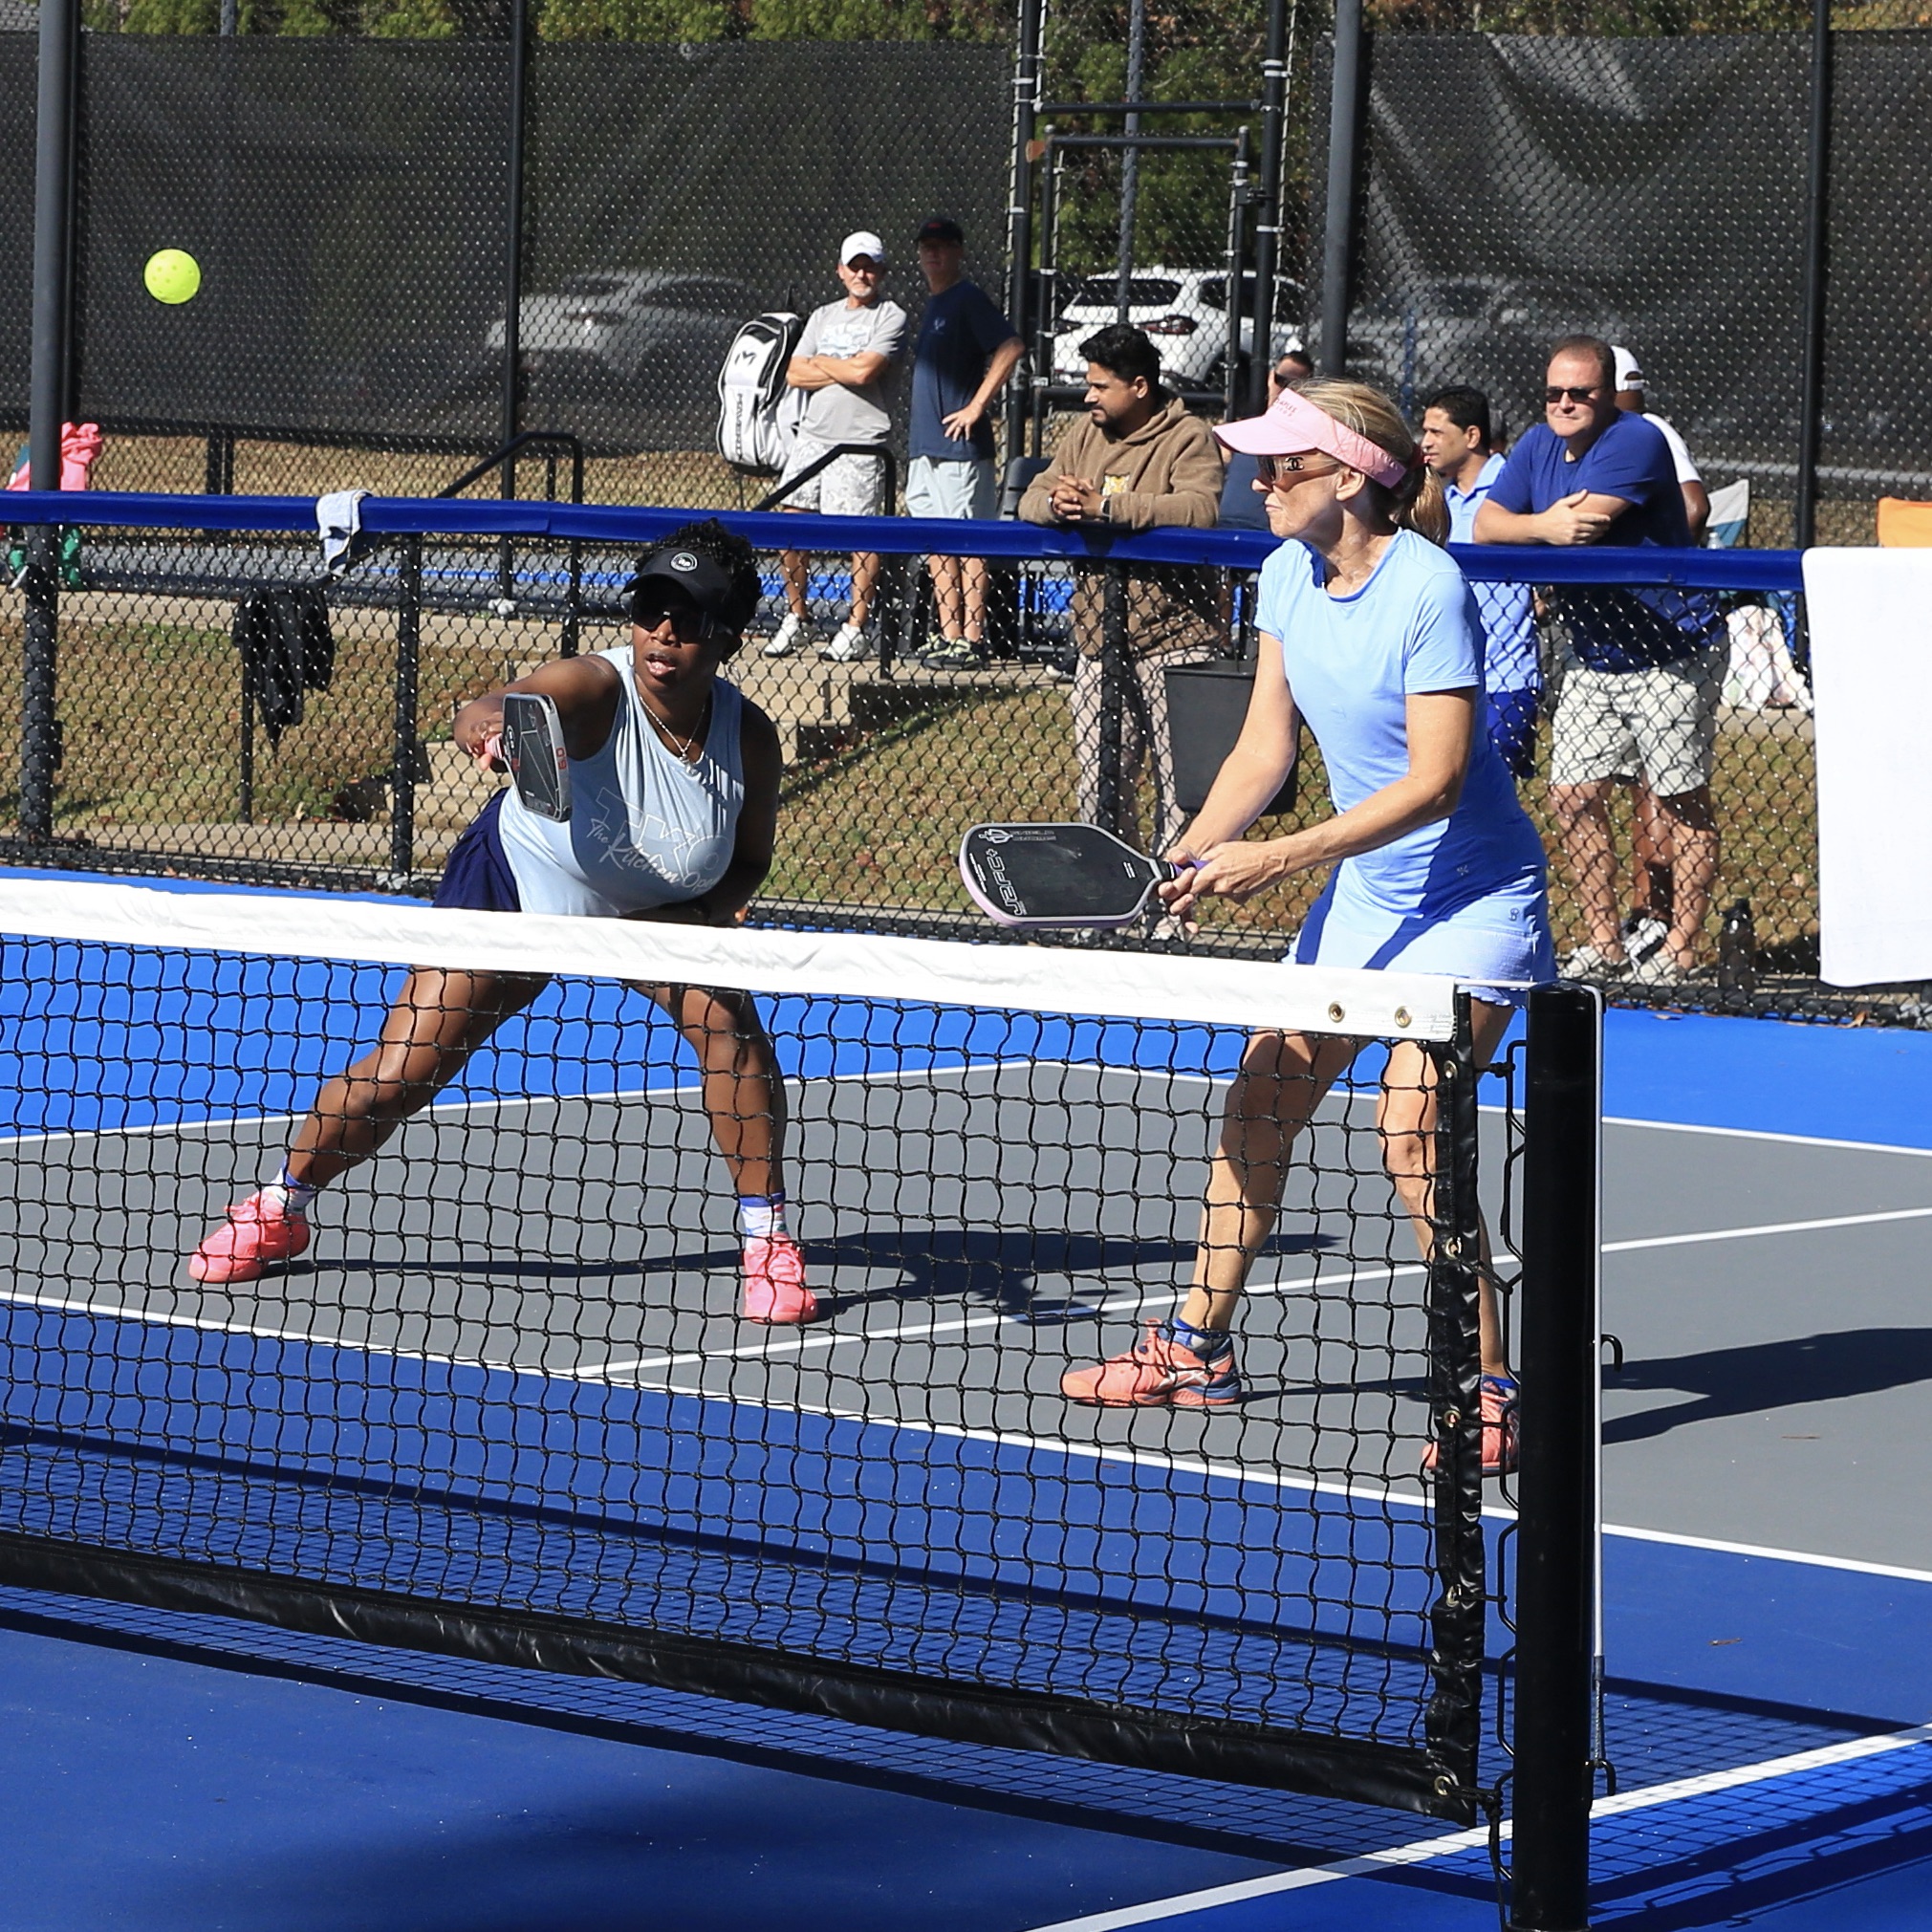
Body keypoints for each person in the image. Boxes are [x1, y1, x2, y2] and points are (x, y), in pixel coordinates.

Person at [1061, 379, 1552, 1479]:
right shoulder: (1285, 570)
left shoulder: (1429, 587)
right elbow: (1261, 752)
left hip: (1467, 900)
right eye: (1264, 462)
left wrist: (1275, 860)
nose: (1261, 477)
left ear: (1353, 475)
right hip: (1363, 895)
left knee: (1411, 1127)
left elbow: (1431, 783)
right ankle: (1195, 1347)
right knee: (1261, 1098)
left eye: (1285, 462)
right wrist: (1185, 851)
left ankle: (1488, 1392)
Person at [188, 520, 817, 1328]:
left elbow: (749, 859)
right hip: (521, 885)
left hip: (652, 910)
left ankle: (766, 1241)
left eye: (690, 617)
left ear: (728, 635)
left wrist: (700, 919)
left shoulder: (749, 738)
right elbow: (502, 703)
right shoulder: (596, 686)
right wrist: (487, 726)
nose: (664, 631)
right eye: (652, 609)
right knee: (401, 1072)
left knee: (729, 1024)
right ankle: (281, 1203)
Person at [1474, 336, 1723, 985]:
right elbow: (1487, 524)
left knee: (1677, 799)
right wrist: (1541, 525)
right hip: (1594, 652)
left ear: (1605, 395)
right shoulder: (1534, 443)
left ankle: (1680, 950)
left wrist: (1545, 523)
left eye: (1578, 393)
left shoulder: (1635, 439)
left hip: (1673, 647)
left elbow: (1585, 524)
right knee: (1572, 794)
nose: (1563, 403)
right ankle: (1605, 942)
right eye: (1553, 392)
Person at [1018, 323, 1225, 856]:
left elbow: (1199, 509)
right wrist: (1057, 506)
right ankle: (1114, 906)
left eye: (1100, 385)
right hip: (1097, 642)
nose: (1088, 395)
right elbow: (1033, 495)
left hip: (1177, 640)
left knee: (1181, 795)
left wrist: (1108, 510)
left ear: (1138, 386)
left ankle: (1173, 917)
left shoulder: (1188, 435)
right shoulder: (1086, 433)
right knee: (1099, 789)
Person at [764, 231, 907, 664]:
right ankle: (798, 616)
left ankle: (856, 625)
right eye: (854, 266)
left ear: (881, 271)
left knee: (859, 535)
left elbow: (867, 373)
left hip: (861, 442)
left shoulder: (890, 316)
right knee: (791, 523)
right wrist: (841, 366)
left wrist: (823, 365)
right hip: (812, 436)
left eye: (869, 266)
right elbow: (792, 373)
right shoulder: (823, 317)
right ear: (841, 271)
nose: (861, 274)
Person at [1610, 345, 1709, 964]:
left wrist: (1657, 570)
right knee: (1621, 785)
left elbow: (1694, 506)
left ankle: (1661, 920)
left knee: (1660, 786)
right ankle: (1645, 913)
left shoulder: (1646, 433)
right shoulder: (1624, 436)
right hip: (1615, 635)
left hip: (1658, 634)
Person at [904, 215, 1024, 668]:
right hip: (925, 447)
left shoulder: (967, 297)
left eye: (943, 246)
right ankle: (948, 631)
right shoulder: (935, 304)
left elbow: (1011, 346)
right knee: (936, 541)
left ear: (958, 251)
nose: (933, 254)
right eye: (926, 247)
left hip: (960, 447)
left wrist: (977, 406)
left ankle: (973, 638)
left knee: (967, 540)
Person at [1418, 384, 1541, 779]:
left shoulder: (1516, 486)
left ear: (1472, 436)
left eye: (1437, 432)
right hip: (1450, 675)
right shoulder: (1442, 499)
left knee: (1489, 790)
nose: (1426, 443)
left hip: (1507, 676)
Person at [1217, 348, 1313, 533]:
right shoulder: (1243, 432)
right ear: (1271, 378)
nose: (1286, 390)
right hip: (1223, 529)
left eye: (1295, 385)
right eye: (1281, 380)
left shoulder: (1307, 443)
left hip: (1266, 534)